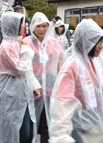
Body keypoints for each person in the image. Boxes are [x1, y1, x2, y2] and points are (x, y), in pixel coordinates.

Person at [49, 19, 103, 143]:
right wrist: (61, 135)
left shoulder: (94, 63)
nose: (101, 46)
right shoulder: (71, 67)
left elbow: (101, 88)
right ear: (85, 41)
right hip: (82, 128)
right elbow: (62, 103)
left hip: (96, 123)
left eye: (102, 41)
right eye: (97, 41)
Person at [0, 12, 41, 143]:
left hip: (21, 93)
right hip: (9, 94)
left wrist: (34, 85)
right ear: (13, 25)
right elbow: (19, 69)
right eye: (21, 23)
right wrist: (26, 50)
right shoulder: (7, 45)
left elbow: (27, 70)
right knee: (15, 130)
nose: (24, 26)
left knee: (26, 130)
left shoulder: (17, 42)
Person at [23, 12, 66, 143]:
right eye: (38, 26)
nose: (41, 29)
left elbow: (62, 63)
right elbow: (23, 68)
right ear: (32, 27)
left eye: (44, 26)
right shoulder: (26, 43)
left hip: (50, 91)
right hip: (32, 91)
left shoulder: (53, 42)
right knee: (30, 127)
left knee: (48, 125)